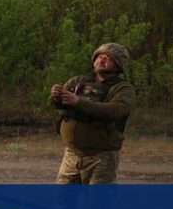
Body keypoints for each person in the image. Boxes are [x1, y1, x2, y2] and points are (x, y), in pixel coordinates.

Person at [50, 43, 135, 184]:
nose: (102, 60)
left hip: (101, 158)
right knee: (64, 197)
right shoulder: (78, 81)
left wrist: (79, 102)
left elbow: (115, 111)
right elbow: (58, 104)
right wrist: (55, 96)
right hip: (71, 155)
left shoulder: (123, 89)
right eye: (100, 56)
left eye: (108, 58)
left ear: (118, 65)